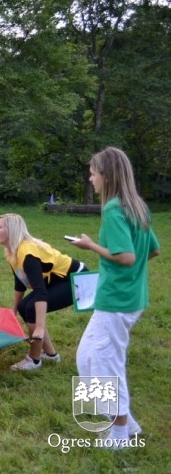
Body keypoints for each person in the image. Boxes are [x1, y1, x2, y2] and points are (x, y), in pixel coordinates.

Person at [70, 147, 160, 447]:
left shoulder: (112, 209)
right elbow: (154, 249)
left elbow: (127, 257)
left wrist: (90, 246)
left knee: (105, 363)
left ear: (107, 176)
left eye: (94, 173)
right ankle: (128, 423)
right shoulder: (137, 206)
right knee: (87, 357)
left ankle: (120, 431)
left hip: (117, 300)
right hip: (130, 298)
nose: (90, 178)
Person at [0, 213, 88, 371]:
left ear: (12, 230)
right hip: (57, 279)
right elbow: (20, 283)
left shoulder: (26, 252)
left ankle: (34, 359)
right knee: (24, 307)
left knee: (31, 309)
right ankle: (50, 355)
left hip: (77, 279)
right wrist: (14, 310)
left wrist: (40, 326)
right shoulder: (12, 252)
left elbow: (40, 291)